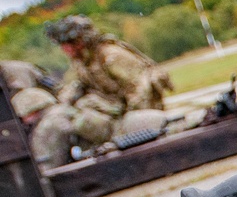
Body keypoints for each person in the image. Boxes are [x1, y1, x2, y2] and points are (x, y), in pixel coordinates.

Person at [27, 16, 175, 170]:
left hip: (134, 115)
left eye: (68, 43)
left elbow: (140, 88)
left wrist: (134, 127)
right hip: (114, 113)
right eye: (63, 44)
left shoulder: (111, 55)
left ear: (81, 40)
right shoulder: (83, 61)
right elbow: (81, 87)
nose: (65, 49)